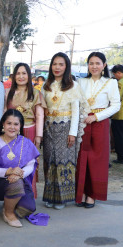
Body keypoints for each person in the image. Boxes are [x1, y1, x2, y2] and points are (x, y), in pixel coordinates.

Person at [41, 52, 88, 210]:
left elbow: (76, 111)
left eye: (61, 64)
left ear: (66, 66)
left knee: (62, 163)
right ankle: (49, 196)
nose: (57, 67)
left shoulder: (73, 86)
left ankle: (61, 199)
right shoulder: (46, 85)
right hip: (48, 128)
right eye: (55, 64)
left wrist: (73, 133)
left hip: (66, 127)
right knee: (49, 160)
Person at [76, 52, 120, 208]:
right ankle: (81, 192)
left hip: (100, 123)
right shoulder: (80, 82)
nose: (94, 66)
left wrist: (96, 117)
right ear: (87, 65)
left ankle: (92, 195)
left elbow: (116, 105)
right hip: (82, 123)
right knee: (82, 159)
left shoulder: (110, 83)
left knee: (97, 160)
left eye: (97, 63)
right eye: (91, 63)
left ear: (104, 65)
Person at [0, 109, 39, 227]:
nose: (12, 127)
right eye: (9, 123)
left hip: (20, 178)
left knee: (28, 208)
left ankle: (9, 202)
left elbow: (31, 165)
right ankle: (8, 213)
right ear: (3, 124)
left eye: (16, 124)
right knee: (15, 186)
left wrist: (18, 175)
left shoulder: (25, 142)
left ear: (20, 126)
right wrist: (9, 172)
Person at [5, 63, 46, 198]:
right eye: (18, 73)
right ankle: (13, 195)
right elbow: (4, 113)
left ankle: (29, 195)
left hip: (30, 131)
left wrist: (39, 136)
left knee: (29, 164)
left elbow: (40, 115)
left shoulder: (35, 93)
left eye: (24, 73)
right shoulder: (8, 93)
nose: (21, 76)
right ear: (14, 76)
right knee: (13, 162)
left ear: (29, 75)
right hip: (11, 133)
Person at [111, 65, 123, 164]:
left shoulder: (121, 83)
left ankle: (121, 157)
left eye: (114, 74)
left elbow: (117, 99)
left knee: (119, 136)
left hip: (120, 114)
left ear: (118, 73)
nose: (115, 77)